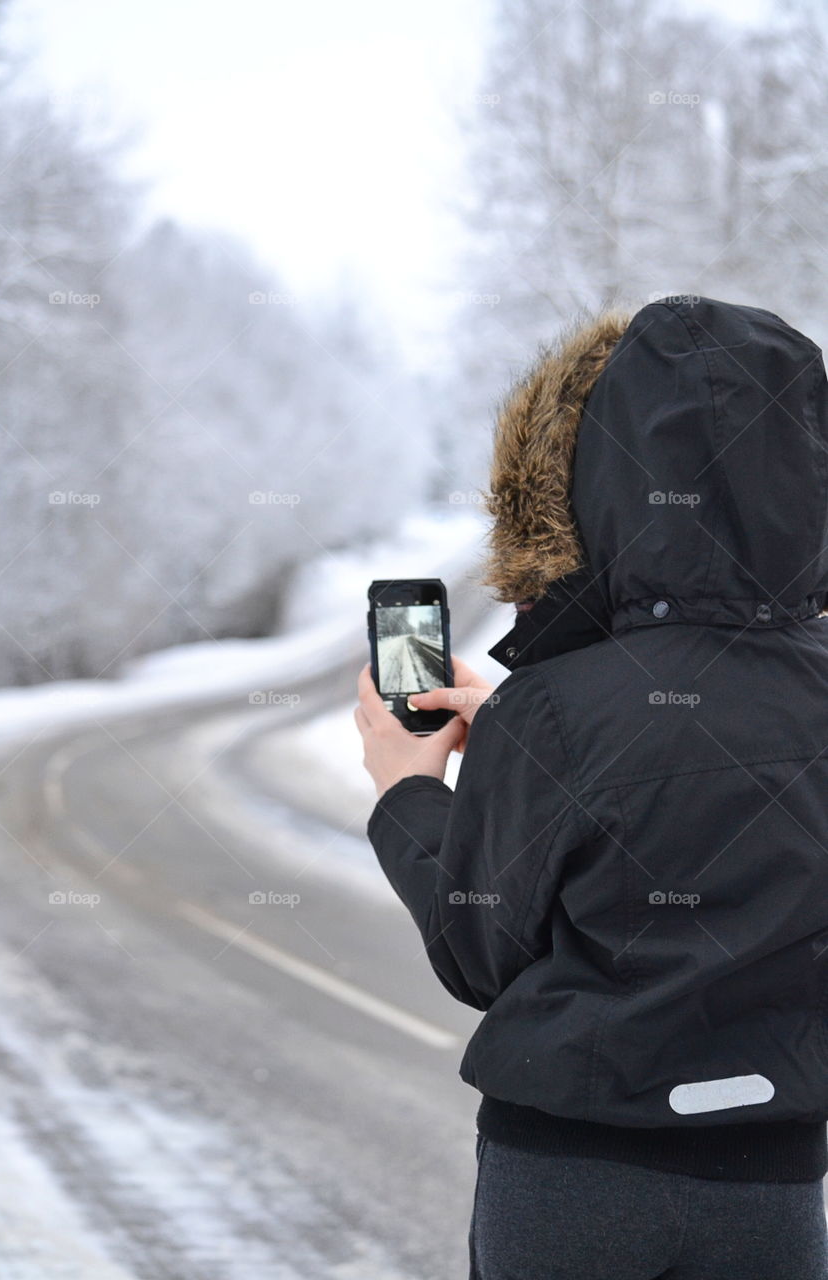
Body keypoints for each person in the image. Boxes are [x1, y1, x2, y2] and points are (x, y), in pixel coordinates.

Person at [354, 294, 828, 1280]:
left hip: (574, 1182)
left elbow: (477, 946)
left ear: (597, 473)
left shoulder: (558, 708)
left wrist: (409, 787)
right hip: (774, 1187)